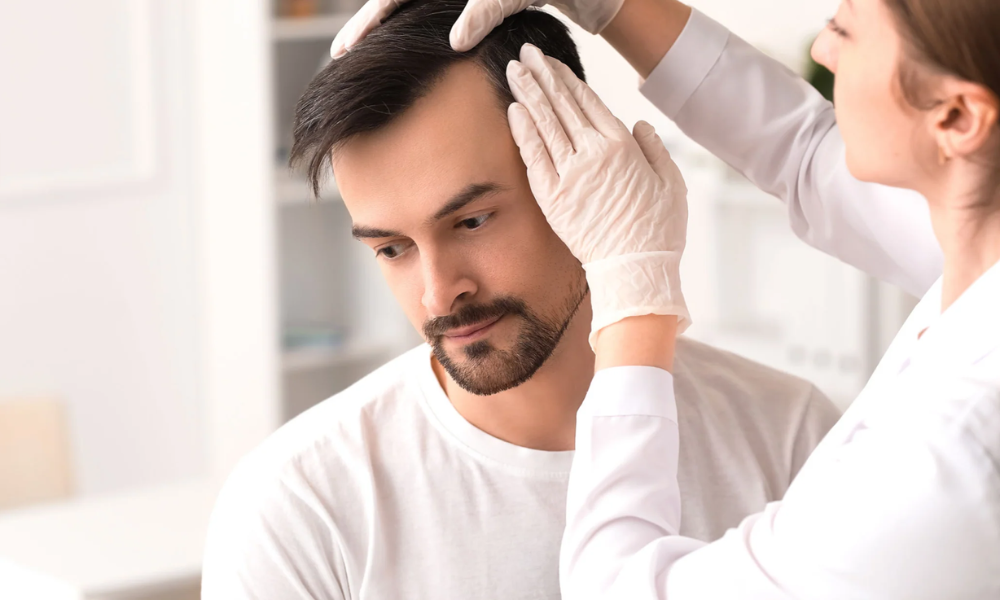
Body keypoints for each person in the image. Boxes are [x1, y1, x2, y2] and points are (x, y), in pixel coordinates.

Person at [337, 0, 1000, 596]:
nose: (822, 50)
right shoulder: (310, 503)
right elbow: (802, 150)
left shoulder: (939, 465)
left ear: (958, 116)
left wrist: (636, 293)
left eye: (847, 27)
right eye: (390, 247)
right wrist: (611, 7)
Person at [200, 1, 842, 598]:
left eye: (473, 221)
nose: (438, 290)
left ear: (585, 159)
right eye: (392, 248)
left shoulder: (788, 439)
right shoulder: (296, 508)